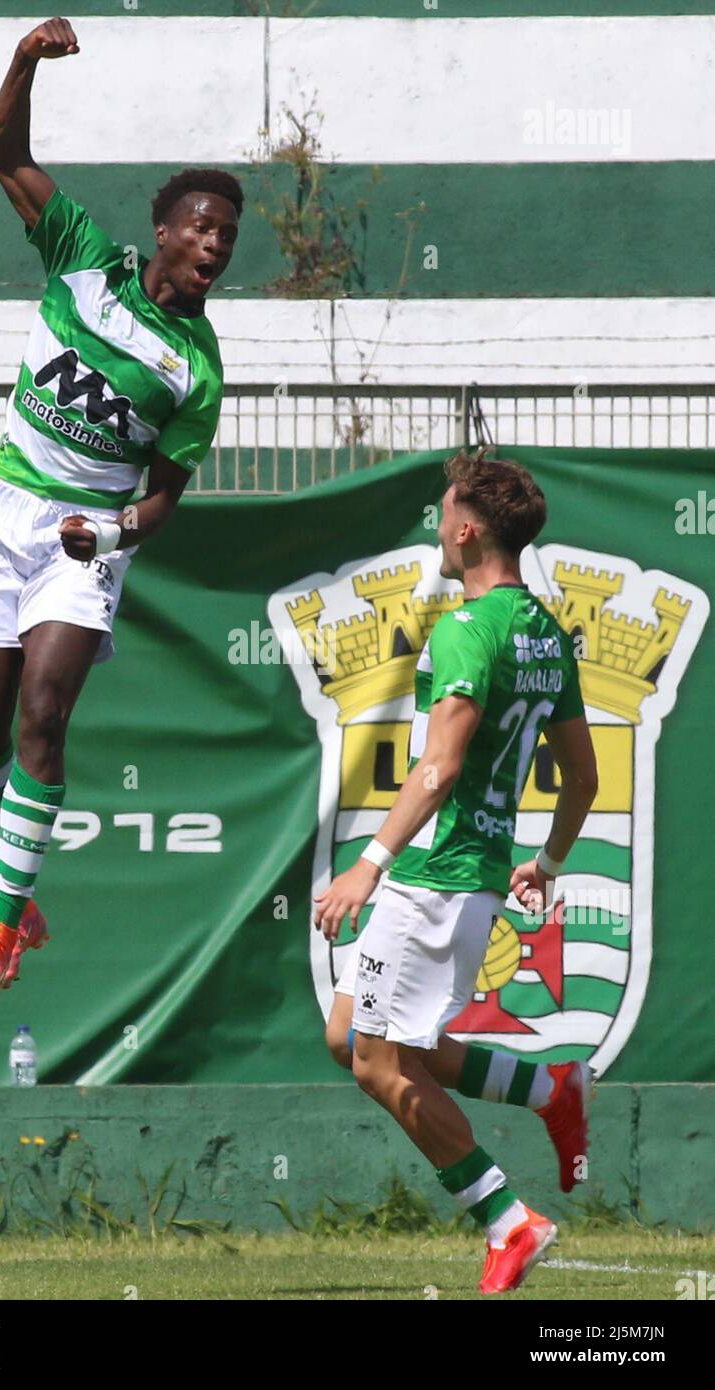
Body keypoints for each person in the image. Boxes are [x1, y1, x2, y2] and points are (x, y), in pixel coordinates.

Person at [0, 16, 243, 996]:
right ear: (163, 232)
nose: (213, 244)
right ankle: (11, 889)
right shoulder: (80, 252)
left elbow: (162, 499)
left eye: (226, 237)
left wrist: (111, 532)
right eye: (200, 228)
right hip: (1, 511)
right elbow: (2, 152)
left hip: (85, 544)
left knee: (42, 712)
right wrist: (23, 61)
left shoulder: (196, 368)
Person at [314, 449, 599, 1294]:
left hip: (435, 878)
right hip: (466, 874)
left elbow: (437, 768)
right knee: (351, 1038)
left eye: (444, 514)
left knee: (378, 1063)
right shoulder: (546, 632)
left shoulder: (467, 629)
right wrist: (546, 862)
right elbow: (582, 778)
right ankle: (551, 1086)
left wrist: (368, 864)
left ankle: (508, 1220)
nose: (437, 526)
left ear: (468, 529)